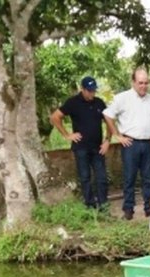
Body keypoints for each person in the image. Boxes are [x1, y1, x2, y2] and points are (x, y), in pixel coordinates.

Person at [103, 67, 150, 220]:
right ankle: (128, 210)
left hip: (147, 144)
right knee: (130, 177)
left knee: (149, 177)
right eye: (140, 83)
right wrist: (117, 135)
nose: (143, 86)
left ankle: (149, 208)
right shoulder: (122, 98)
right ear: (133, 82)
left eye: (146, 83)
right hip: (130, 144)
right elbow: (108, 116)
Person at [50, 76, 113, 210]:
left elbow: (109, 121)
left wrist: (108, 140)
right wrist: (67, 135)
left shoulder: (99, 103)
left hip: (98, 147)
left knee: (101, 177)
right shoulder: (73, 102)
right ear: (82, 89)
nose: (92, 93)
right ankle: (89, 205)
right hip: (81, 148)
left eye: (94, 91)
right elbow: (55, 117)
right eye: (89, 91)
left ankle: (103, 205)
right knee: (85, 178)